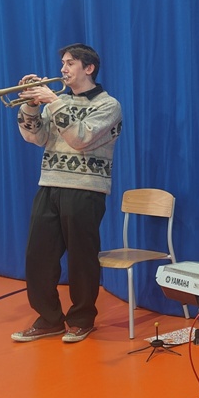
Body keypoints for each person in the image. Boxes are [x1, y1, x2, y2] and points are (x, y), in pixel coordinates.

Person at [10, 43, 123, 344]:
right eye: (62, 63)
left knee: (81, 259)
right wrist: (31, 105)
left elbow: (80, 138)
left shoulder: (108, 105)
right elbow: (35, 137)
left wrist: (52, 101)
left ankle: (82, 319)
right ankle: (49, 319)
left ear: (89, 68)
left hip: (86, 189)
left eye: (70, 63)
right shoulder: (57, 101)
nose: (63, 69)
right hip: (50, 185)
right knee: (38, 256)